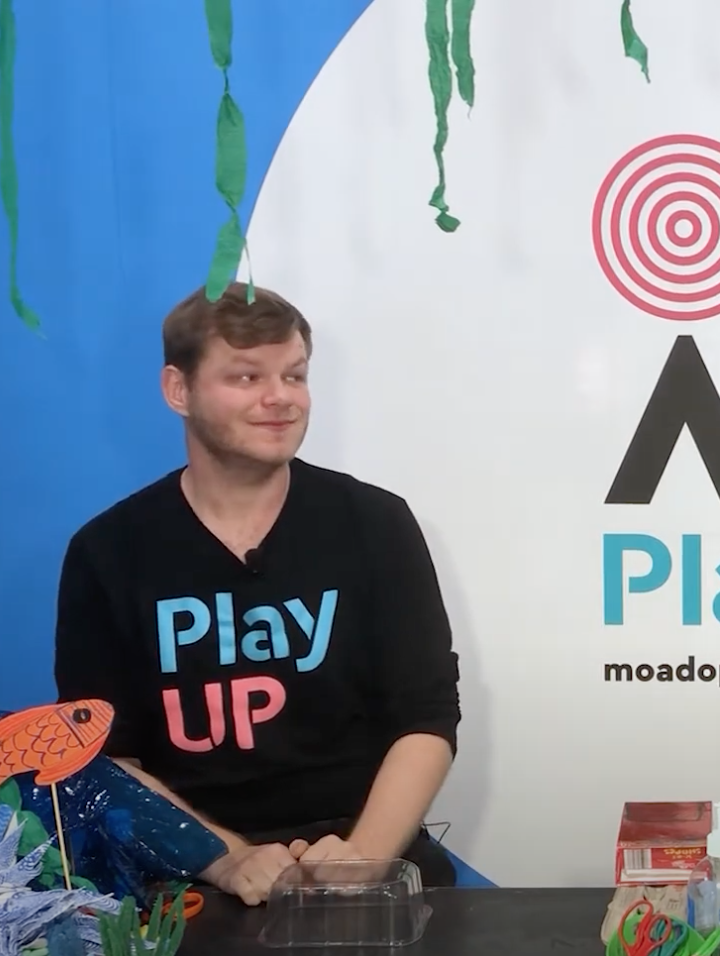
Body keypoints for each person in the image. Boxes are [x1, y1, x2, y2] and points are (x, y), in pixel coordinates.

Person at [52, 283, 463, 905]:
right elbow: (108, 752)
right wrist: (223, 856)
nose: (280, 399)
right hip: (190, 872)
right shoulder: (108, 552)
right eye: (246, 378)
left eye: (294, 377)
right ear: (178, 390)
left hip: (371, 860)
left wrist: (366, 855)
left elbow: (427, 716)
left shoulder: (375, 523)